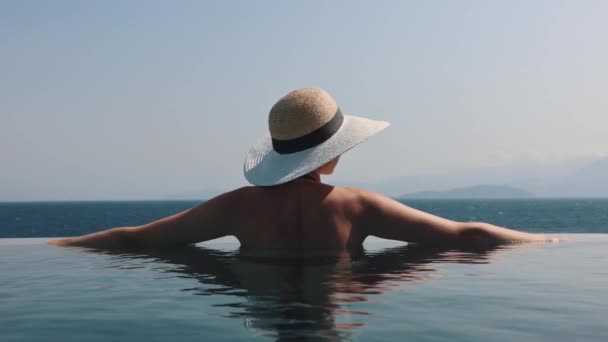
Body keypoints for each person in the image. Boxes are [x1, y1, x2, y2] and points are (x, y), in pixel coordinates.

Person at [48, 87, 555, 250]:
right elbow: (465, 235)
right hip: (335, 298)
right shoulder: (358, 206)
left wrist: (61, 242)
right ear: (332, 154)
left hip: (262, 308)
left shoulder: (236, 207)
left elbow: (135, 240)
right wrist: (551, 242)